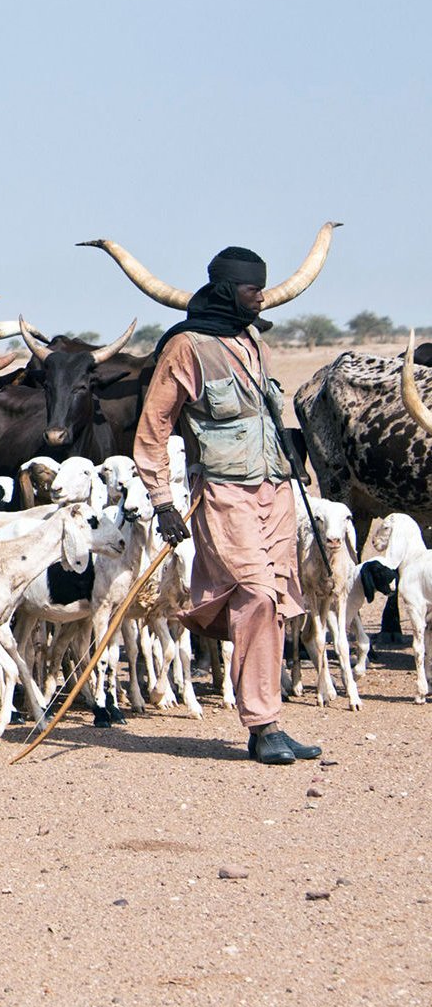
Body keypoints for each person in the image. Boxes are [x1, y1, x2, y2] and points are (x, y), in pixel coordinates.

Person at [133, 245, 321, 766]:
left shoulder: (252, 339)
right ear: (225, 290)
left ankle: (272, 723)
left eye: (261, 288)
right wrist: (163, 501)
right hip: (222, 492)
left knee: (277, 599)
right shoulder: (187, 347)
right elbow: (153, 431)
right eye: (250, 289)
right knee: (256, 594)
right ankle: (262, 726)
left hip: (275, 489)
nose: (261, 297)